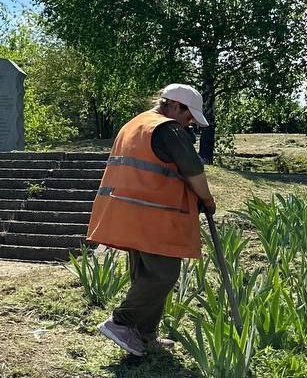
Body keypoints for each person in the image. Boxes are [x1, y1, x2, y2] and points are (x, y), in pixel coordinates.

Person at [87, 85, 217, 357]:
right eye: (188, 114)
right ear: (173, 105)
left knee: (145, 274)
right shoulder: (168, 129)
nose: (189, 121)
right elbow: (193, 169)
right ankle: (121, 322)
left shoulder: (135, 124)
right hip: (155, 215)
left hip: (129, 212)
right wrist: (206, 200)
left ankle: (143, 335)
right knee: (163, 275)